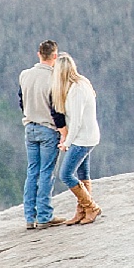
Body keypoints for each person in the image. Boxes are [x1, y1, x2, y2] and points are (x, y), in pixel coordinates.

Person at [15, 40, 68, 230]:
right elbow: (57, 110)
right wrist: (63, 131)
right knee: (46, 172)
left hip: (30, 127)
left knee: (32, 172)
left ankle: (30, 217)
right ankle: (45, 216)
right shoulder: (55, 78)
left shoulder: (25, 75)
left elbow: (21, 101)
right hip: (48, 129)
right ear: (55, 56)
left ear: (38, 54)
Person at [53, 50, 103, 225]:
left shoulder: (77, 89)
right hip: (85, 136)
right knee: (83, 174)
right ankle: (82, 211)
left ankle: (91, 207)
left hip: (83, 138)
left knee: (65, 174)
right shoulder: (79, 84)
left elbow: (76, 121)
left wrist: (67, 142)